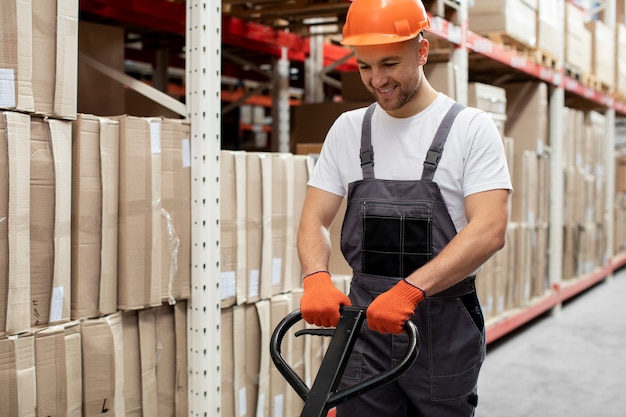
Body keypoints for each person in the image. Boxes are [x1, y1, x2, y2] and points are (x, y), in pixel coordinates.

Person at [296, 0, 512, 415]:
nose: (378, 80)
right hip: (365, 329)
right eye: (365, 67)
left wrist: (412, 290)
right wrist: (316, 276)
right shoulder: (348, 129)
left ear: (422, 51)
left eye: (390, 64)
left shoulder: (470, 129)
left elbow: (489, 229)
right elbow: (314, 217)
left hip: (442, 326)